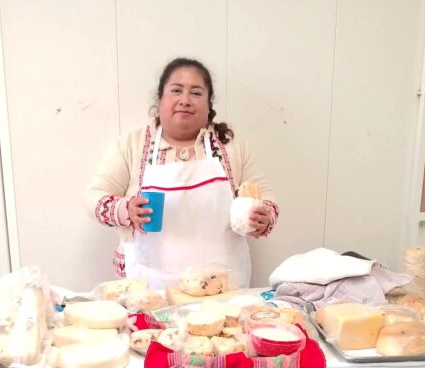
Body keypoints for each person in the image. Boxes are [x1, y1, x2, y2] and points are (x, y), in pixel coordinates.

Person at [85, 57, 279, 289]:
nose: (185, 100)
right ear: (160, 99)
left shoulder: (232, 146)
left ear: (208, 105)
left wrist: (263, 216)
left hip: (222, 288)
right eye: (176, 90)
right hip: (149, 287)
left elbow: (264, 194)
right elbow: (93, 197)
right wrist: (126, 209)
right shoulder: (131, 145)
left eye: (196, 93)